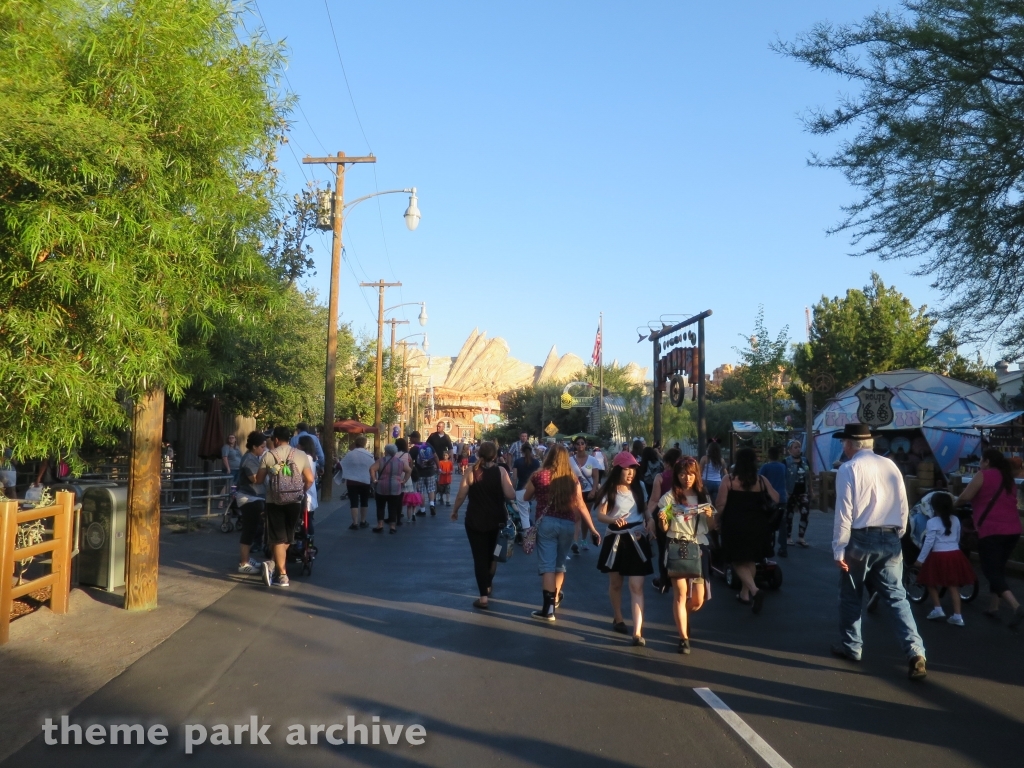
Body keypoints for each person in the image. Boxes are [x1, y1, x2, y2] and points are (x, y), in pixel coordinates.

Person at [829, 423, 927, 679]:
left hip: (861, 537)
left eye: (844, 442)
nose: (843, 446)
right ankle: (915, 651)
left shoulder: (848, 468)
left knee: (851, 594)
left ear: (850, 444)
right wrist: (899, 532)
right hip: (891, 534)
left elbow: (844, 512)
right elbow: (903, 503)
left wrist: (839, 548)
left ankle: (852, 646)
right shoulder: (890, 465)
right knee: (896, 597)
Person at [523, 444, 602, 621]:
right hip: (568, 524)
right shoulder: (572, 479)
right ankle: (556, 598)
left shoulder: (539, 476)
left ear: (549, 457)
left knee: (547, 567)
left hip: (546, 523)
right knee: (559, 565)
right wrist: (593, 529)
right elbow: (581, 505)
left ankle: (548, 609)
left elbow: (526, 497)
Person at [954, 448, 1024, 628]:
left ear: (986, 461)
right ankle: (994, 606)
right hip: (1013, 529)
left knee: (990, 570)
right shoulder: (1007, 477)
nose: (979, 463)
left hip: (992, 530)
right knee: (998, 568)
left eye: (981, 460)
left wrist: (953, 503)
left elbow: (965, 497)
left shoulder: (983, 475)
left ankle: (1016, 606)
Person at [657, 456, 716, 654]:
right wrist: (663, 519)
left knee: (698, 599)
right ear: (677, 475)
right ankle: (683, 638)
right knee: (681, 593)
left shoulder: (703, 495)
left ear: (696, 474)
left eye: (690, 474)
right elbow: (665, 528)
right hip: (677, 545)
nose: (687, 478)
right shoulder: (670, 497)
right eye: (682, 474)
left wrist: (710, 516)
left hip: (698, 546)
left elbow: (711, 526)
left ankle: (682, 616)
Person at [593, 451, 653, 646]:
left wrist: (650, 520)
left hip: (637, 538)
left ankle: (637, 632)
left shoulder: (640, 486)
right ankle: (618, 617)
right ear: (618, 469)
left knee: (636, 586)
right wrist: (613, 520)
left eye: (633, 469)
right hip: (616, 539)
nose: (630, 473)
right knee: (616, 583)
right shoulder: (610, 489)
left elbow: (645, 509)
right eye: (627, 469)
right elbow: (601, 515)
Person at [450, 442, 516, 609]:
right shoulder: (501, 471)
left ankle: (483, 597)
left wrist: (455, 510)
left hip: (475, 521)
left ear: (479, 454)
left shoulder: (471, 471)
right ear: (495, 455)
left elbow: (461, 495)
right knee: (494, 554)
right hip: (497, 521)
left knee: (479, 557)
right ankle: (488, 583)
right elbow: (511, 494)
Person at [715, 447, 778, 614]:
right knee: (750, 560)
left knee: (736, 560)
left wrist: (715, 521)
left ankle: (755, 591)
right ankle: (744, 594)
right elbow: (776, 498)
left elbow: (720, 505)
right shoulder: (761, 480)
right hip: (758, 526)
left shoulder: (729, 480)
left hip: (735, 526)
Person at [255, 426, 316, 588]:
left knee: (277, 538)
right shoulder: (301, 455)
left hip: (274, 501)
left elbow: (259, 480)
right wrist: (301, 491)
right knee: (289, 536)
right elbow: (310, 479)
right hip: (295, 501)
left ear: (275, 439)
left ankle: (281, 574)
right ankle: (275, 564)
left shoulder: (269, 455)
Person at [913, 493, 975, 626]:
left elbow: (928, 543)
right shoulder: (956, 519)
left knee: (930, 581)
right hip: (955, 554)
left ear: (934, 507)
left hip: (938, 555)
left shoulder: (932, 522)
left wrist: (920, 559)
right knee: (953, 585)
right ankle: (958, 616)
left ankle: (938, 608)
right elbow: (957, 538)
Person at [645, 447, 683, 593]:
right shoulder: (685, 476)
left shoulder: (660, 477)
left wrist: (647, 517)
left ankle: (664, 581)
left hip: (664, 516)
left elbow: (654, 500)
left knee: (663, 549)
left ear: (667, 462)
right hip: (683, 516)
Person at [235, 431, 268, 574]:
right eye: (262, 447)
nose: (264, 449)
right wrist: (268, 469)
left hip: (255, 497)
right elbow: (255, 479)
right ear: (254, 446)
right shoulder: (249, 459)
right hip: (249, 498)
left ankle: (246, 558)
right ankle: (243, 563)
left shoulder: (254, 457)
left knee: (253, 529)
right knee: (249, 530)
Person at [569, 437, 602, 553]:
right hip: (574, 492)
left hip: (588, 492)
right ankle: (575, 542)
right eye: (578, 444)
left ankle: (583, 539)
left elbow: (596, 477)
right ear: (575, 445)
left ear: (585, 445)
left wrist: (593, 490)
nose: (580, 445)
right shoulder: (570, 460)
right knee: (577, 516)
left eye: (582, 443)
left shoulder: (592, 460)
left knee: (585, 516)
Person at [370, 444, 410, 534]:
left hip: (381, 486)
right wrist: (404, 481)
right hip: (395, 487)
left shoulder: (381, 461)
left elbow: (372, 469)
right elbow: (409, 470)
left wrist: (374, 479)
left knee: (380, 506)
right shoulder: (400, 462)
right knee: (393, 507)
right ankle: (392, 526)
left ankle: (380, 525)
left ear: (386, 451)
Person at [782, 439, 811, 553]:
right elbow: (783, 477)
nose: (798, 449)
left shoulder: (805, 461)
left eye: (799, 447)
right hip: (790, 492)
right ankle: (788, 537)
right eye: (795, 447)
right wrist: (784, 491)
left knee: (805, 513)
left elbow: (808, 476)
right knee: (789, 515)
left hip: (803, 492)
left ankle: (801, 537)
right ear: (790, 450)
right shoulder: (786, 461)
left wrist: (810, 489)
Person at [759, 446, 788, 555]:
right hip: (782, 496)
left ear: (769, 455)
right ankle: (783, 547)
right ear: (778, 455)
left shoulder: (765, 467)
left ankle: (768, 545)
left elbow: (759, 479)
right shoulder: (783, 467)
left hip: (769, 498)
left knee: (768, 522)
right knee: (782, 523)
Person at [341, 436, 375, 530]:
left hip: (352, 482)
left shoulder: (350, 454)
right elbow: (373, 467)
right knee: (364, 501)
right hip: (365, 481)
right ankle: (363, 521)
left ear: (355, 443)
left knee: (353, 502)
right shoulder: (369, 455)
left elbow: (342, 465)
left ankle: (355, 523)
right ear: (365, 444)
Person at [409, 430, 439, 516]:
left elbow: (409, 461)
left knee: (421, 491)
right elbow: (435, 456)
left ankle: (422, 510)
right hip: (430, 472)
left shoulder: (414, 449)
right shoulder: (428, 445)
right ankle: (432, 505)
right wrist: (438, 468)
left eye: (411, 438)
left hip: (420, 473)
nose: (410, 439)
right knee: (431, 489)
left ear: (415, 438)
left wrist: (410, 471)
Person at [511, 444, 541, 529]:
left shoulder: (517, 462)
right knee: (532, 510)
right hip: (534, 489)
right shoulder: (536, 462)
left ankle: (527, 533)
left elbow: (515, 478)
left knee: (524, 514)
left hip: (521, 488)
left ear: (521, 451)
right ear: (531, 450)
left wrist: (513, 489)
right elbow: (539, 477)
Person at [219, 434, 242, 508]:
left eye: (233, 438)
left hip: (238, 469)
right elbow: (224, 458)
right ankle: (221, 502)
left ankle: (230, 502)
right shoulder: (226, 447)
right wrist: (228, 468)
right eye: (230, 438)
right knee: (227, 485)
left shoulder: (237, 447)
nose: (231, 439)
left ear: (235, 439)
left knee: (234, 486)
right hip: (230, 469)